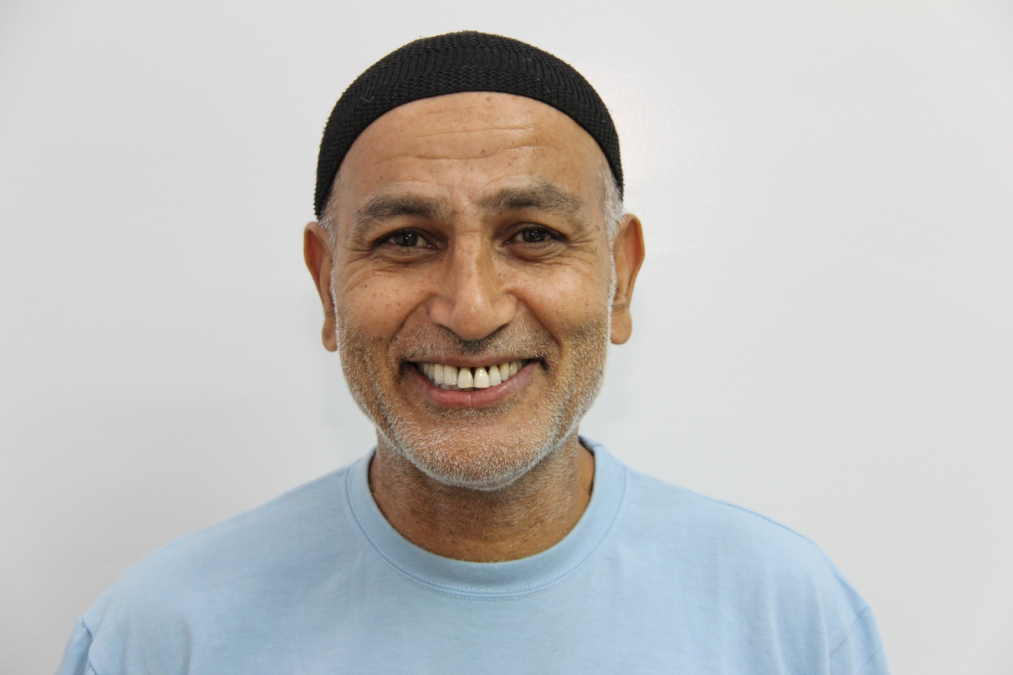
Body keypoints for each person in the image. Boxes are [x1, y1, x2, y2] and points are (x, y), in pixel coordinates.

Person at [56, 31, 888, 674]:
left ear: (620, 277)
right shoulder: (164, 635)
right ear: (327, 286)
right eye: (406, 238)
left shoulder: (787, 617)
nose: (471, 309)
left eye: (532, 235)